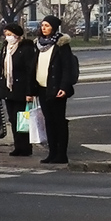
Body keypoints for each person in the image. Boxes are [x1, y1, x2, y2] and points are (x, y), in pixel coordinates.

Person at [29, 15, 77, 165]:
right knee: (48, 121)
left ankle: (61, 154)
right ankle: (52, 153)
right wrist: (30, 90)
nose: (43, 28)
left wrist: (64, 87)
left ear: (54, 28)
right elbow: (33, 67)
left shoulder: (61, 45)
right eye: (42, 25)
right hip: (42, 88)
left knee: (59, 122)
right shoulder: (38, 45)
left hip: (56, 89)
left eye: (47, 26)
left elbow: (67, 68)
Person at [0, 22, 38, 156]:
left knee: (22, 119)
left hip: (21, 89)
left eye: (10, 35)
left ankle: (25, 147)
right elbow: (1, 68)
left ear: (17, 35)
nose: (7, 37)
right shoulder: (5, 49)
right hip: (8, 89)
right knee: (13, 119)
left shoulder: (26, 48)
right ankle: (18, 146)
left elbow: (30, 71)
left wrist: (30, 92)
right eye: (6, 35)